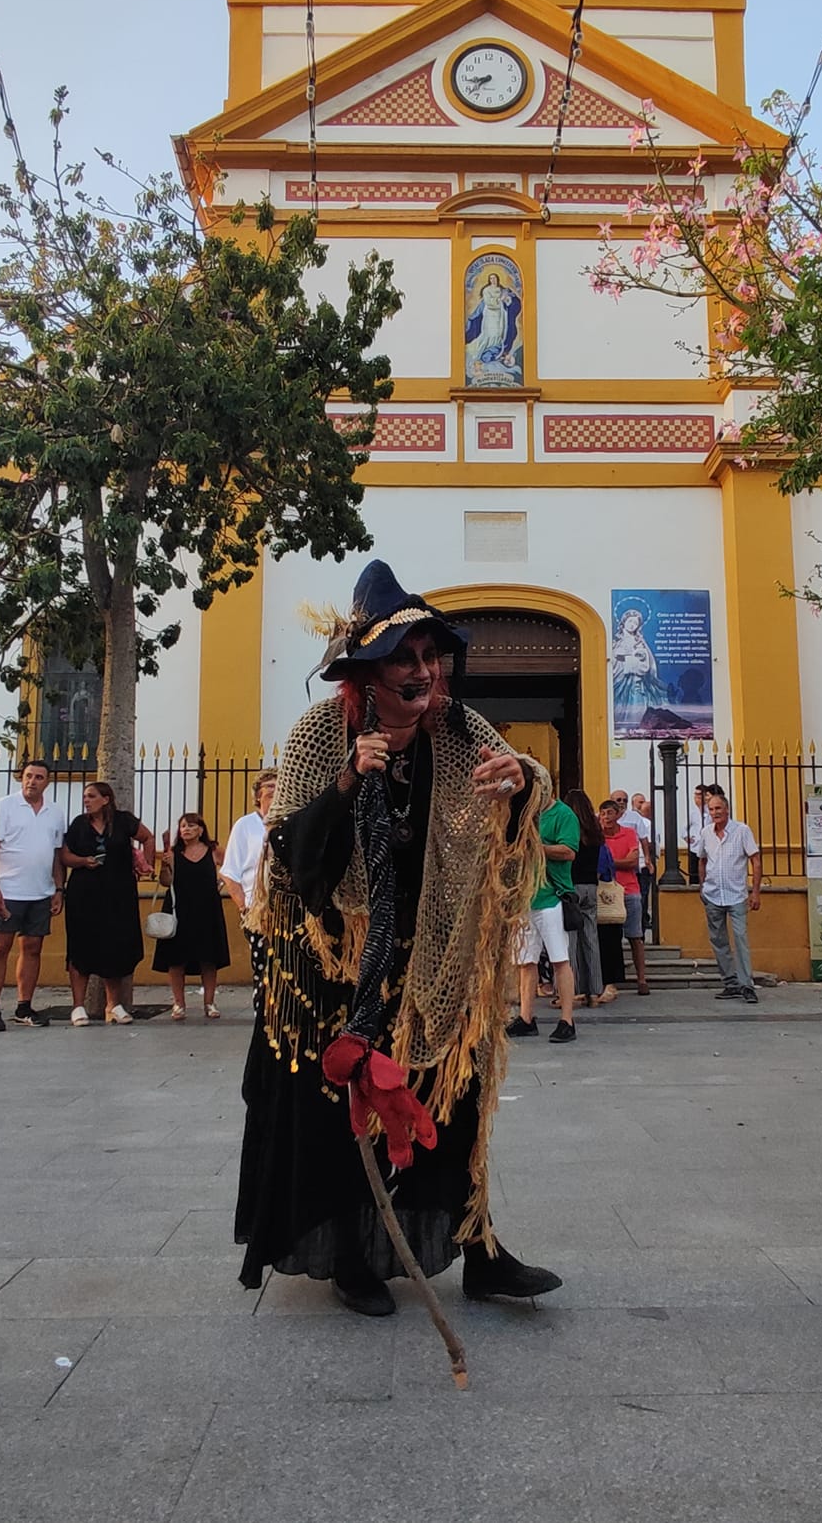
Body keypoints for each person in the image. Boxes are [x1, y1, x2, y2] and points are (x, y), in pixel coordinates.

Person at [234, 558, 560, 1316]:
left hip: (435, 950)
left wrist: (520, 783)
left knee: (459, 1094)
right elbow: (292, 859)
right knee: (343, 1109)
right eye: (402, 660)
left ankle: (479, 1248)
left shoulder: (459, 728)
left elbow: (511, 813)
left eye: (430, 656)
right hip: (336, 959)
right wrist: (349, 780)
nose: (422, 673)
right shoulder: (322, 732)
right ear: (366, 677)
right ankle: (352, 1256)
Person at [0, 759, 68, 1032]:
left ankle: (24, 1005)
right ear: (21, 778)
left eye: (39, 777)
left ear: (47, 782)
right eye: (28, 776)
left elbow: (55, 854)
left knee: (32, 948)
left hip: (40, 892)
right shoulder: (4, 806)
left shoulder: (55, 812)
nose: (32, 781)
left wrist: (58, 888)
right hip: (8, 890)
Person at [59, 780, 153, 1026]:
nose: (86, 800)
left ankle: (114, 1005)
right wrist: (81, 861)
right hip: (84, 894)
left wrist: (145, 865)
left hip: (118, 892)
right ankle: (78, 1006)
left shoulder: (123, 821)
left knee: (116, 946)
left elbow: (147, 838)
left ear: (106, 799)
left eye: (91, 796)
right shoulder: (79, 824)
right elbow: (64, 855)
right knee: (81, 946)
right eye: (85, 796)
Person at [507, 787, 580, 1042]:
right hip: (525, 898)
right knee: (526, 962)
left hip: (552, 897)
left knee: (560, 960)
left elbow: (569, 851)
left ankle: (567, 1020)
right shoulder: (527, 815)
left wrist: (535, 847)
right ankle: (526, 1018)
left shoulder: (563, 814)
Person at [155, 812, 229, 1019]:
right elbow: (165, 882)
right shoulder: (174, 852)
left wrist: (221, 882)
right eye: (182, 826)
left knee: (209, 957)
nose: (186, 829)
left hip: (207, 908)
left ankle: (209, 1003)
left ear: (201, 829)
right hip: (179, 907)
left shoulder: (212, 850)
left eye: (190, 825)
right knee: (176, 958)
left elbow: (232, 866)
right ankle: (178, 1003)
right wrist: (165, 865)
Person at [695, 791, 761, 1004]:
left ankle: (747, 985)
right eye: (711, 809)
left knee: (740, 938)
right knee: (718, 940)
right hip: (713, 894)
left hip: (737, 895)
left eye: (718, 808)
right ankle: (730, 983)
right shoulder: (706, 832)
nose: (715, 813)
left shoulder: (742, 831)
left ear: (727, 810)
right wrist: (702, 886)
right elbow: (702, 860)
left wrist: (756, 891)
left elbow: (756, 861)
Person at [221, 770, 278, 1019]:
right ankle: (263, 1014)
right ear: (258, 795)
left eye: (279, 785)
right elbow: (230, 872)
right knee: (263, 965)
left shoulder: (292, 819)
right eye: (268, 787)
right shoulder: (246, 826)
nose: (274, 791)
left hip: (288, 907)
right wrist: (244, 907)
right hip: (257, 909)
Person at [600, 798, 649, 995]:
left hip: (629, 890)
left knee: (635, 936)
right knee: (610, 939)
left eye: (610, 813)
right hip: (606, 893)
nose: (606, 818)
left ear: (619, 814)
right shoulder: (597, 837)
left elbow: (632, 862)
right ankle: (610, 981)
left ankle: (642, 978)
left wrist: (609, 862)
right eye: (602, 814)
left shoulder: (629, 833)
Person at [565, 790, 606, 1010]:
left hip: (571, 885)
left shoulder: (571, 829)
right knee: (591, 938)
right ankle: (595, 992)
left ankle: (573, 990)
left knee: (570, 940)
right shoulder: (595, 829)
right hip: (591, 886)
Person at [627, 792, 658, 929]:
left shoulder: (635, 821)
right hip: (639, 863)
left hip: (639, 863)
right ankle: (641, 922)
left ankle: (640, 921)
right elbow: (650, 844)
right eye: (640, 802)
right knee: (641, 895)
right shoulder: (645, 823)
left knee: (640, 895)